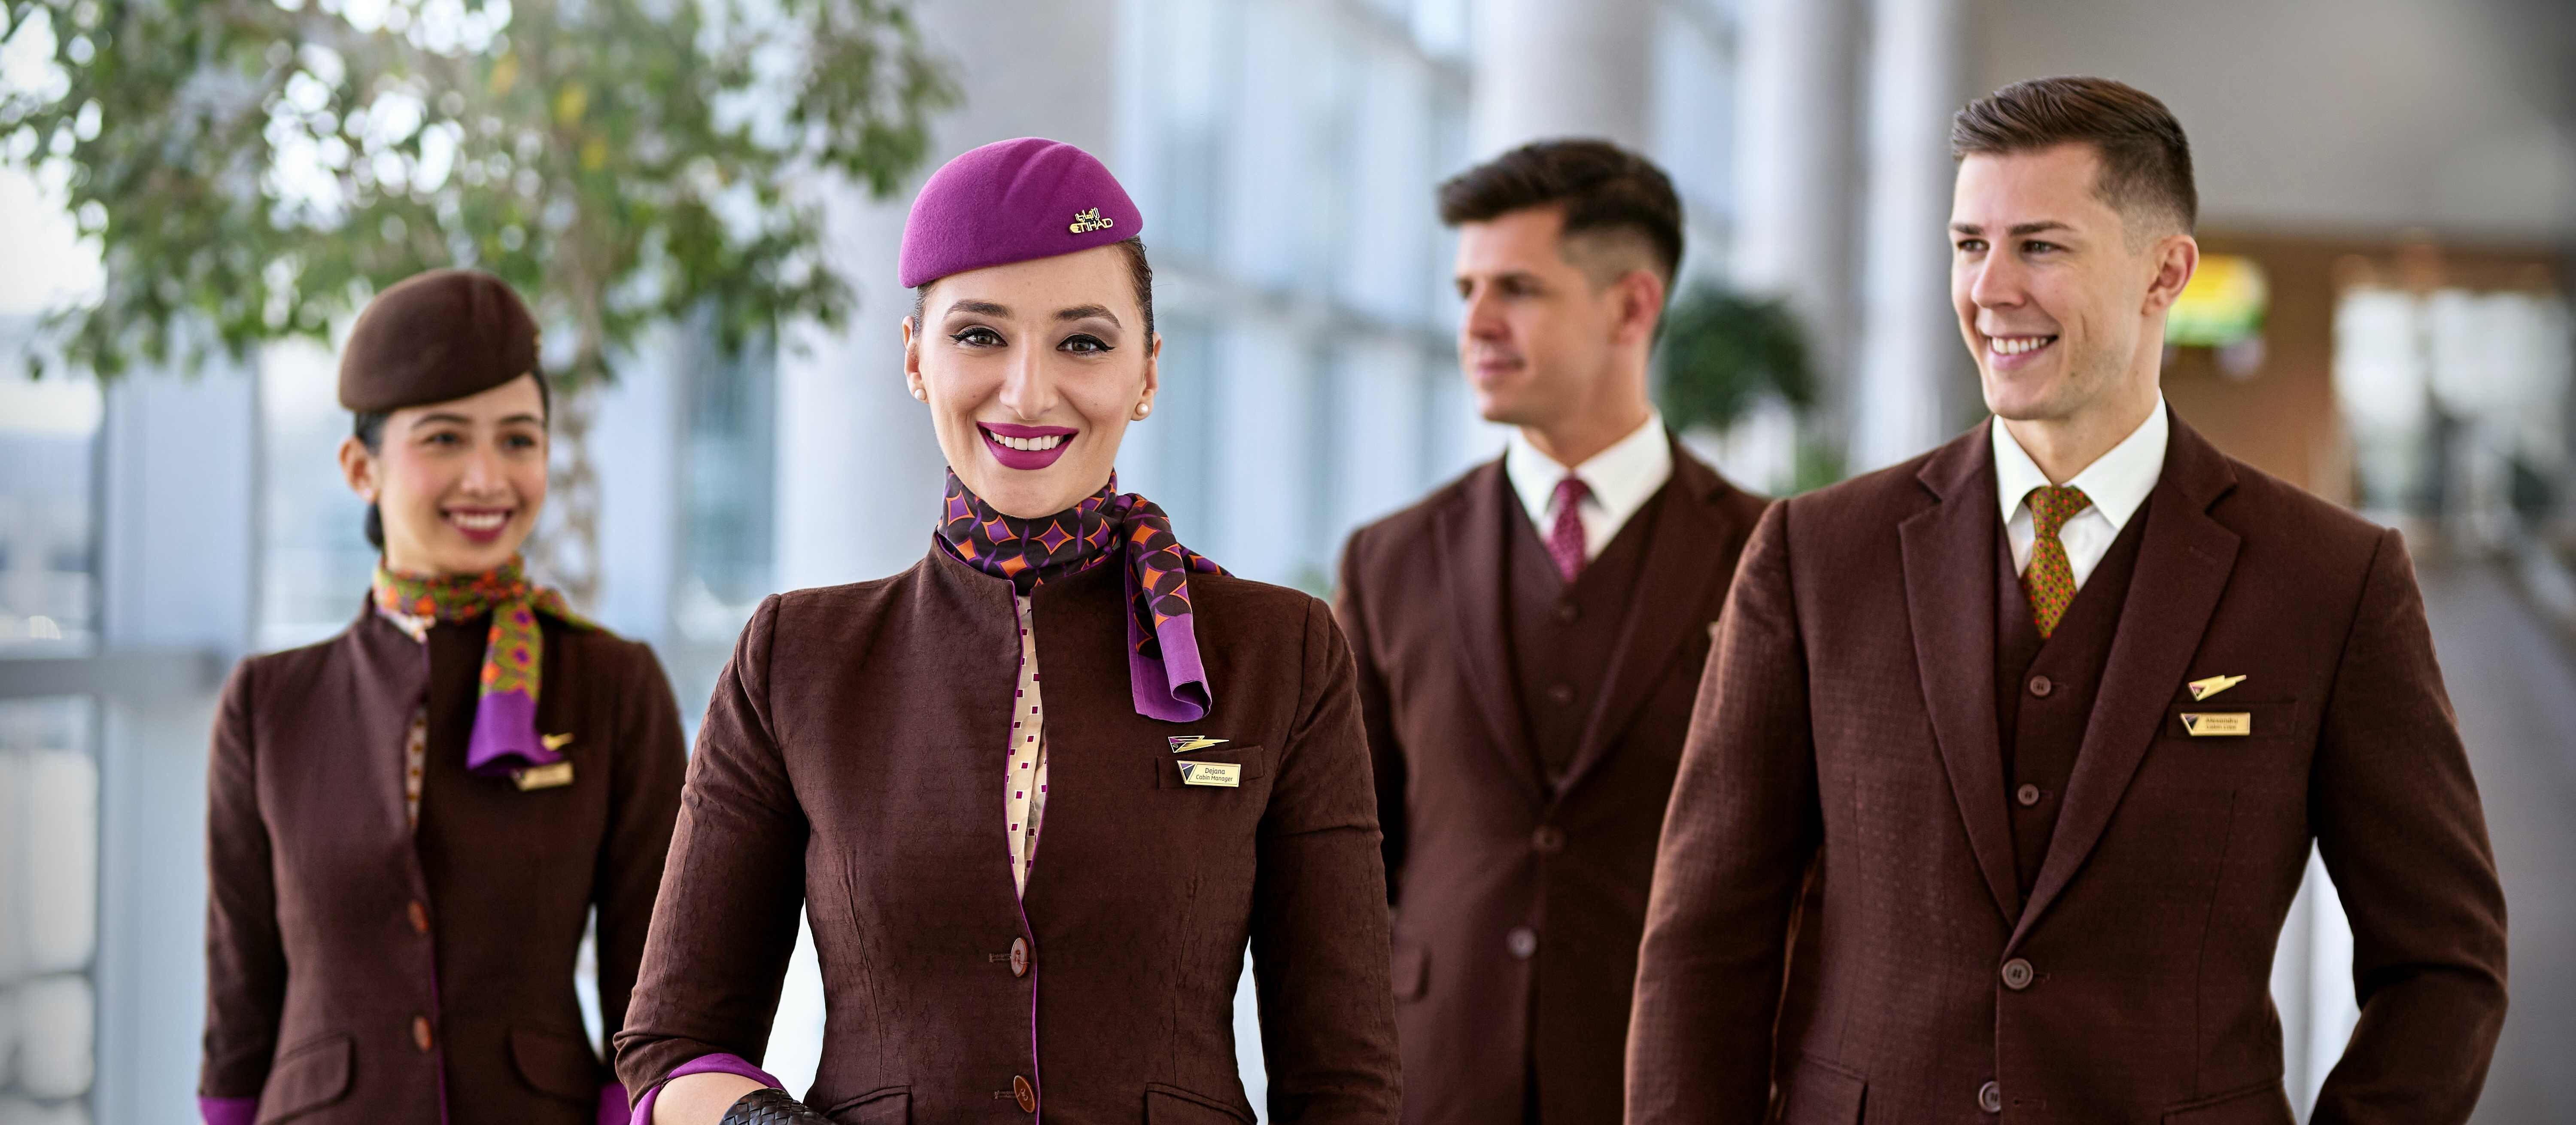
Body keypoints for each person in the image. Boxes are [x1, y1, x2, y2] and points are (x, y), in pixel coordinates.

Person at [1628, 77, 2509, 1122]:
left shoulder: (2329, 580)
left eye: (2040, 246)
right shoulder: (1816, 557)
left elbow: (2444, 964)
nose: (1990, 289)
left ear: (2163, 271)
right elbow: (1705, 941)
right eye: (1968, 245)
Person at [613, 137, 1401, 1125]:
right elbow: (674, 1045)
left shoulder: (1280, 652)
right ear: (914, 357)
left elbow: (1345, 1080)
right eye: (980, 336)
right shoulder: (795, 658)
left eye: (1083, 342)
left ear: (1149, 372)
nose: (1028, 391)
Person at [1333, 140, 1766, 1125]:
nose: (1476, 325)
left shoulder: (1769, 556)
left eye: (1517, 289)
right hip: (1432, 1084)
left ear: (1632, 306)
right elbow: (1349, 866)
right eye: (1466, 289)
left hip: (1672, 1082)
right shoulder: (1389, 558)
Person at [197, 269, 690, 1125]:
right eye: (445, 439)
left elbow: (649, 983)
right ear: (361, 466)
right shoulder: (268, 703)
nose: (487, 476)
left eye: (518, 440)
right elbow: (240, 985)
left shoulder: (612, 685)